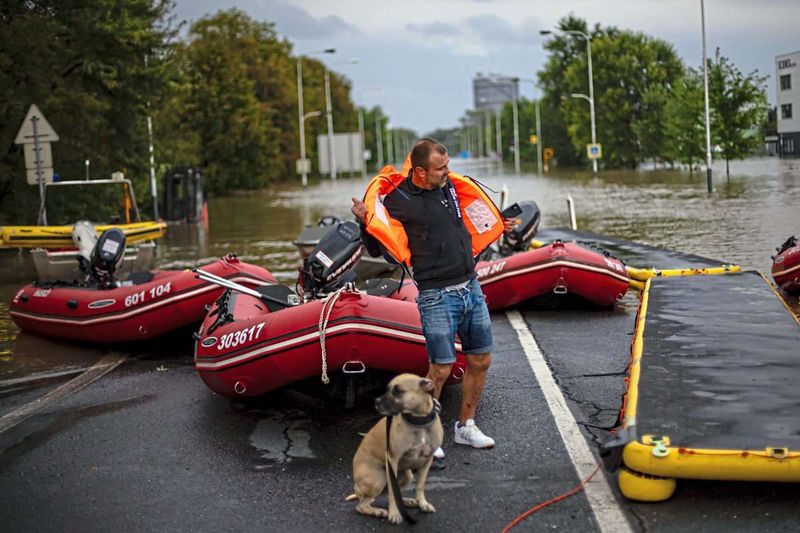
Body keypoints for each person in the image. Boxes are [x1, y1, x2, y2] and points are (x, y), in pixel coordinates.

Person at [351, 138, 514, 466]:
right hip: (436, 295)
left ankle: (465, 426)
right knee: (439, 369)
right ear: (421, 171)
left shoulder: (449, 188)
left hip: (471, 287)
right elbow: (376, 246)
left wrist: (498, 222)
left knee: (480, 361)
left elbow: (467, 221)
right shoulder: (399, 201)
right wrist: (363, 221)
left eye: (448, 165)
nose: (448, 172)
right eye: (441, 168)